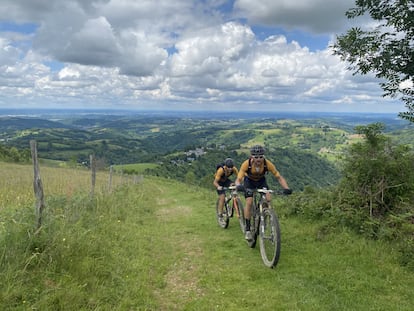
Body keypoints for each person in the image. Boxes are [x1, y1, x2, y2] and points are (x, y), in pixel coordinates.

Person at [235, 145, 292, 241]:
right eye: (256, 157)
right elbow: (239, 178)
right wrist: (238, 185)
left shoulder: (267, 164)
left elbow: (279, 177)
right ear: (251, 157)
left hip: (261, 181)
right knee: (249, 202)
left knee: (268, 199)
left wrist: (286, 188)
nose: (258, 159)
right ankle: (248, 229)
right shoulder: (246, 164)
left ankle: (265, 216)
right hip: (249, 182)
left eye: (261, 157)